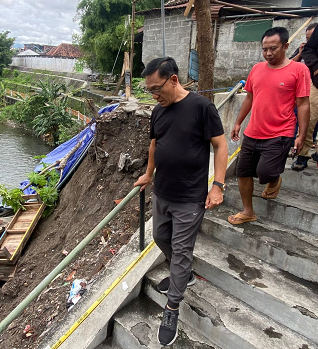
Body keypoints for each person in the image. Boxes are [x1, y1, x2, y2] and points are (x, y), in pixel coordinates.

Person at [134, 57, 228, 346]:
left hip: (190, 197)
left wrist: (218, 185)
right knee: (161, 236)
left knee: (181, 249)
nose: (153, 95)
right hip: (163, 192)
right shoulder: (158, 112)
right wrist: (149, 174)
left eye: (156, 88)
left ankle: (172, 307)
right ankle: (182, 274)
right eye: (149, 90)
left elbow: (220, 144)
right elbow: (154, 144)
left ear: (173, 79)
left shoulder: (201, 107)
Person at [228, 27, 310, 224]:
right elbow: (249, 97)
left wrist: (301, 136)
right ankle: (248, 211)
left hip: (280, 132)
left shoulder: (299, 70)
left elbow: (303, 104)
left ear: (286, 46)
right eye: (264, 49)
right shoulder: (257, 69)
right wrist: (238, 122)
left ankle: (274, 179)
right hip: (253, 131)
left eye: (273, 48)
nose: (268, 53)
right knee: (243, 171)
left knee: (265, 172)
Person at [298, 23, 318, 168]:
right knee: (309, 118)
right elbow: (308, 50)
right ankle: (303, 154)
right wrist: (316, 68)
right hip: (316, 83)